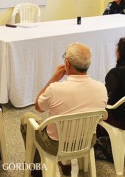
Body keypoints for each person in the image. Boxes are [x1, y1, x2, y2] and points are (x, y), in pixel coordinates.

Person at [20, 43, 107, 176]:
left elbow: (39, 107)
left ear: (66, 63)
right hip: (87, 141)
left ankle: (37, 169)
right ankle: (66, 163)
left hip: (56, 144)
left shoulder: (56, 89)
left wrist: (54, 78)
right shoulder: (101, 88)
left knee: (27, 118)